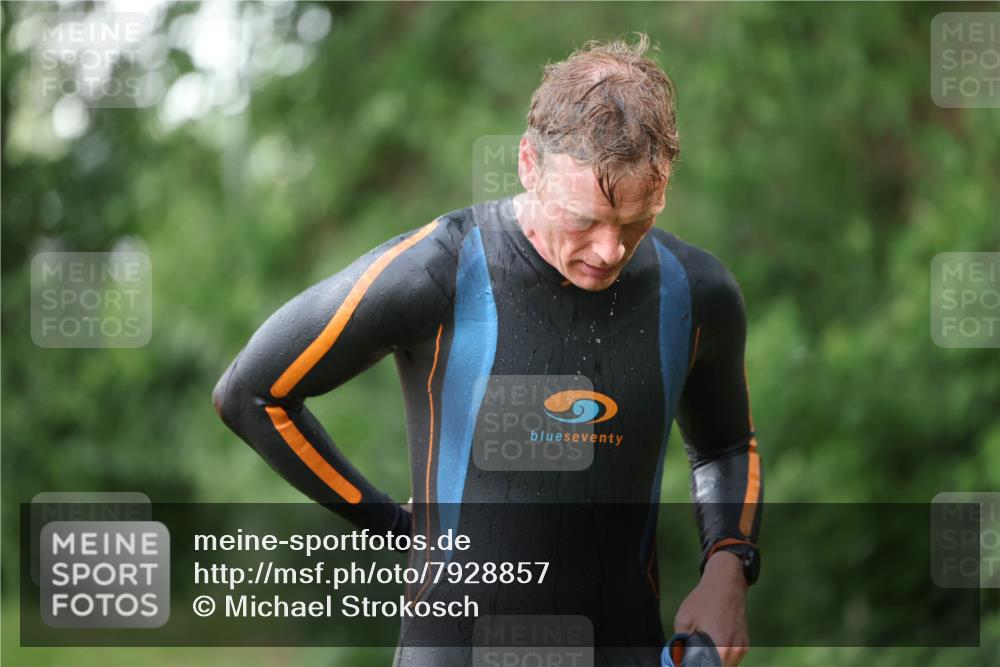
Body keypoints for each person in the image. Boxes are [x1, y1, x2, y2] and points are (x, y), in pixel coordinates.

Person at [213, 33, 762, 667]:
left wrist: (728, 566)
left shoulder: (696, 292)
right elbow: (252, 394)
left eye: (637, 221)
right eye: (584, 219)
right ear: (529, 164)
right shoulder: (440, 269)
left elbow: (725, 445)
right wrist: (394, 527)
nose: (610, 250)